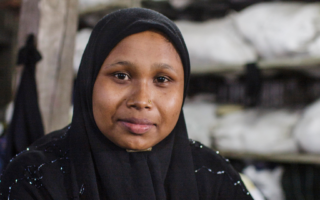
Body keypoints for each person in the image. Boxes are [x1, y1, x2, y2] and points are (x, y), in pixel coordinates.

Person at [0, 8, 253, 200]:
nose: (141, 100)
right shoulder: (36, 177)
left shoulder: (212, 176)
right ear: (88, 82)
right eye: (121, 76)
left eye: (162, 79)